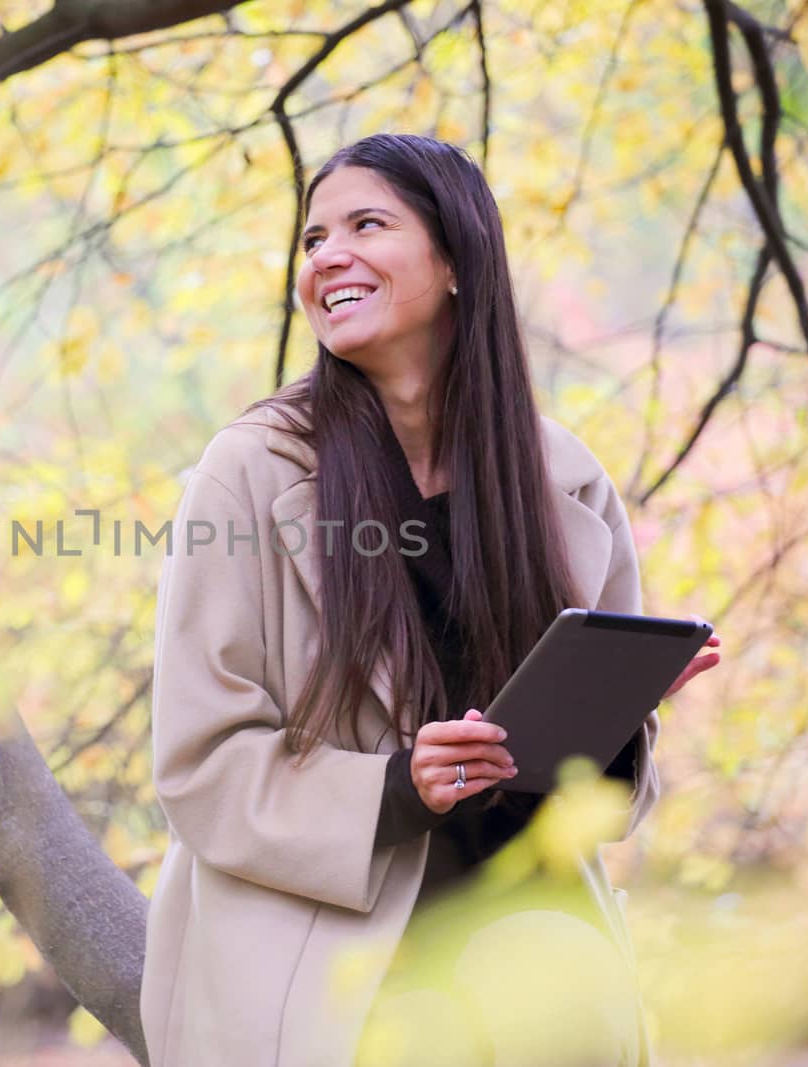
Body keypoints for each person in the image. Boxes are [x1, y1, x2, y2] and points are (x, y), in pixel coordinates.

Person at [138, 134, 720, 1066]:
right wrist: (401, 787)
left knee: (558, 977)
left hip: (530, 924)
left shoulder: (564, 478)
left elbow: (597, 804)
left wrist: (618, 711)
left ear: (455, 260)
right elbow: (200, 765)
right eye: (313, 237)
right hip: (328, 946)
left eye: (366, 225)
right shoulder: (247, 472)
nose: (327, 256)